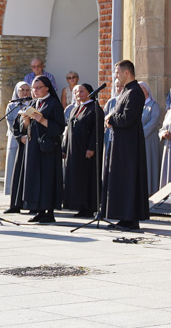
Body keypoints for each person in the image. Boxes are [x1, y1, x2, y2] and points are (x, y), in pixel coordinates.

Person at [102, 60, 150, 230]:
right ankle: (123, 216)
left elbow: (128, 118)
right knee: (121, 179)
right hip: (121, 142)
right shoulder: (125, 92)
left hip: (129, 144)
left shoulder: (135, 92)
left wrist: (110, 119)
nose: (116, 76)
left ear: (126, 73)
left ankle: (131, 218)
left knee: (129, 179)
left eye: (117, 72)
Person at [19, 75, 66, 224]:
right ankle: (39, 210)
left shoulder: (54, 103)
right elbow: (26, 128)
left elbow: (59, 128)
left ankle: (49, 212)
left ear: (47, 88)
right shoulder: (34, 103)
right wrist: (26, 122)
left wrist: (42, 120)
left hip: (49, 148)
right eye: (33, 88)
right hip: (34, 147)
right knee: (36, 179)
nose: (35, 90)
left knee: (48, 179)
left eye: (38, 88)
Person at [61, 84, 103, 218]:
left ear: (90, 93)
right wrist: (64, 148)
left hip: (86, 151)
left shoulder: (94, 109)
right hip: (73, 150)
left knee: (86, 178)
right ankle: (78, 205)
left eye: (81, 91)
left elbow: (97, 130)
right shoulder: (74, 109)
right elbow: (68, 130)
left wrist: (91, 148)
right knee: (76, 179)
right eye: (76, 92)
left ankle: (88, 208)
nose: (78, 94)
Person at [4, 81, 31, 199]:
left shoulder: (32, 103)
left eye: (27, 90)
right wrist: (19, 136)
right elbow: (10, 122)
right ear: (17, 91)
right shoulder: (11, 105)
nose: (25, 93)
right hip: (15, 138)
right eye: (22, 90)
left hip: (29, 138)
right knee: (13, 164)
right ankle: (12, 192)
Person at [138, 81, 161, 195]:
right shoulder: (137, 105)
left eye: (142, 88)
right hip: (138, 140)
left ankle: (151, 190)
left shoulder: (153, 105)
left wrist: (139, 134)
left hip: (149, 140)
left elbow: (153, 123)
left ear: (147, 90)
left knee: (149, 163)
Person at [103, 78, 123, 164]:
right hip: (110, 136)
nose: (119, 88)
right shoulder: (111, 102)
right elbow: (104, 117)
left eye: (121, 86)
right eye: (117, 86)